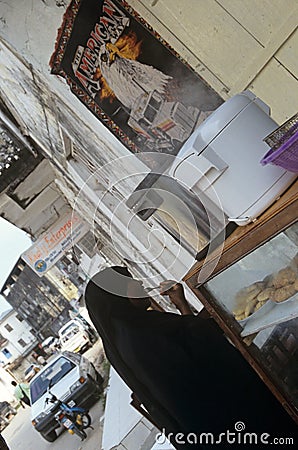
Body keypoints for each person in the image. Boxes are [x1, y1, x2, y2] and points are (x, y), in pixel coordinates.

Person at [85, 266, 297, 449]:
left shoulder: (127, 338)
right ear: (119, 296)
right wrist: (182, 304)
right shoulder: (144, 334)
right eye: (131, 281)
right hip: (237, 418)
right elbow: (202, 343)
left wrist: (182, 308)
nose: (139, 281)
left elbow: (189, 340)